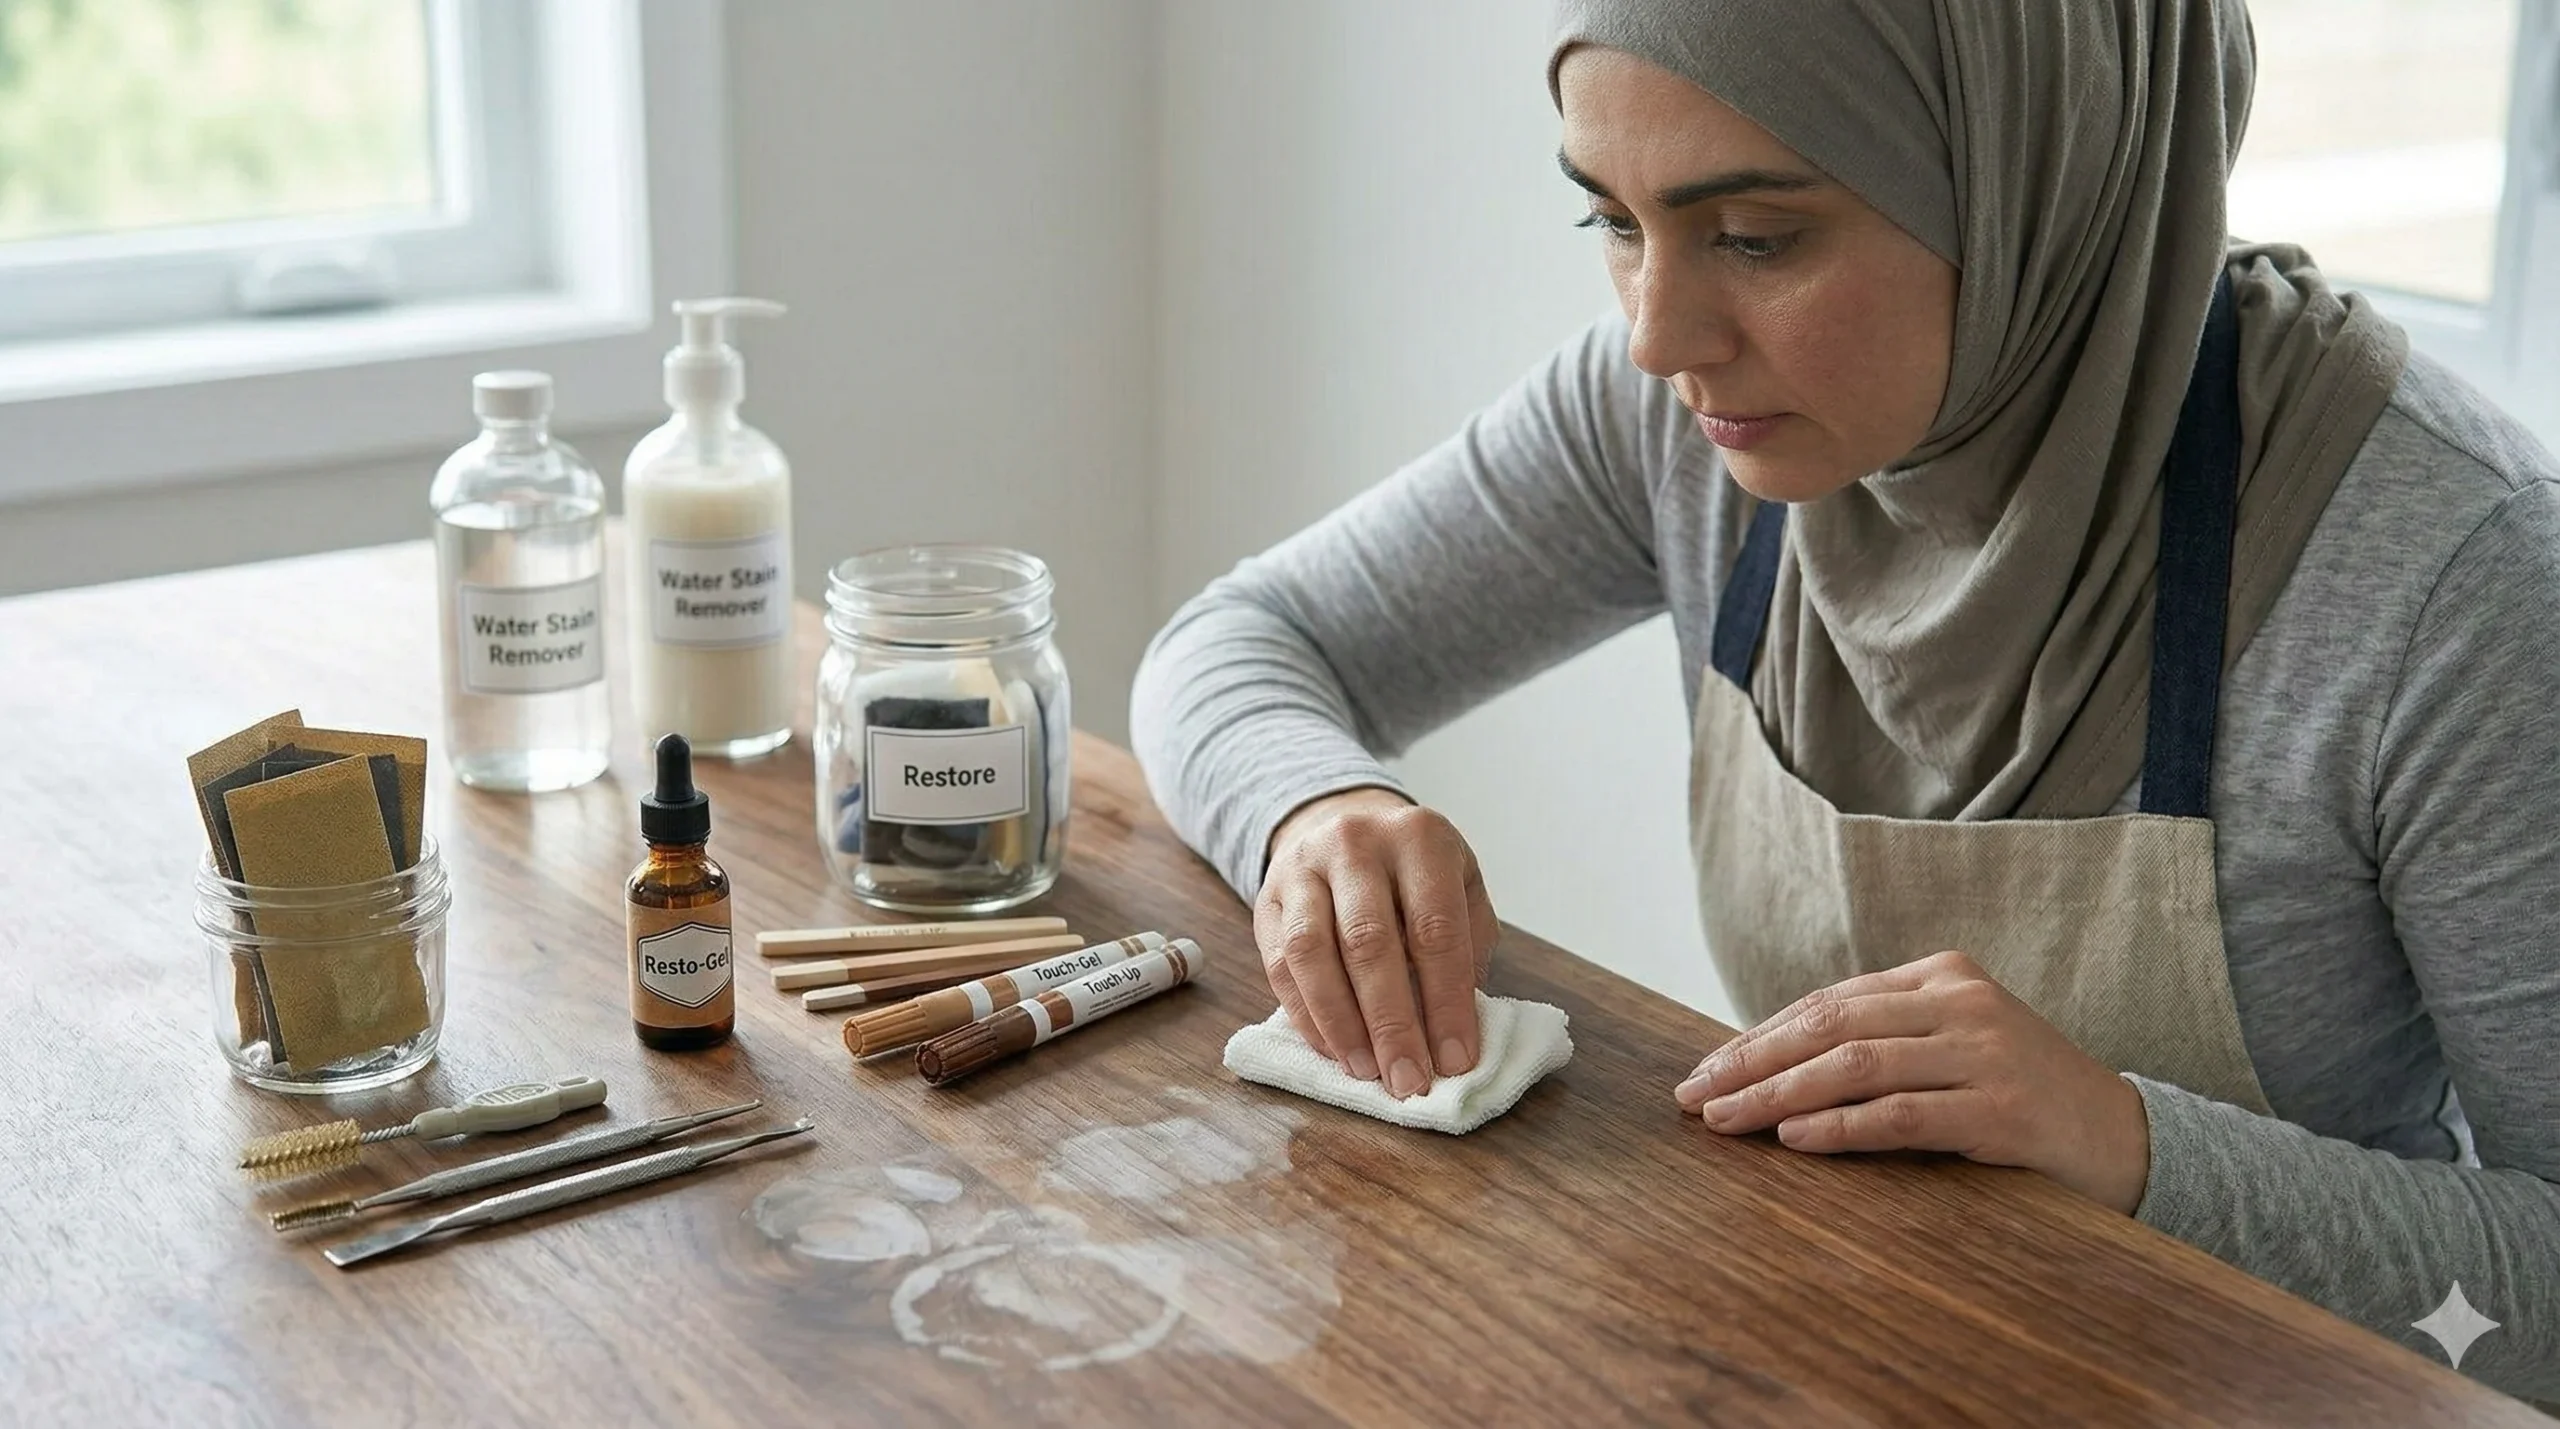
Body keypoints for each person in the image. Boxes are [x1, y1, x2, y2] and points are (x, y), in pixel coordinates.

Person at [1131, 0, 2559, 1401]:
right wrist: (1317, 807)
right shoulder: (1680, 424)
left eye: (1756, 238)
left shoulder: (2456, 583)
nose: (1656, 335)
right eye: (1612, 223)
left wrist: (2122, 1140)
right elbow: (1241, 641)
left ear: (2026, 177)